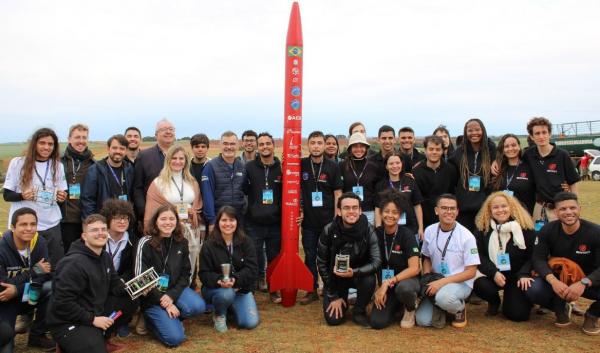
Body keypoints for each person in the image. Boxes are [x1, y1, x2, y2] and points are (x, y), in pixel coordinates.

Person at [46, 214, 137, 353]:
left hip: (94, 311)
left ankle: (101, 337)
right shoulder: (73, 263)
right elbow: (62, 303)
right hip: (68, 321)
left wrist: (136, 287)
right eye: (94, 230)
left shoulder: (105, 256)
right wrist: (93, 319)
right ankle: (66, 343)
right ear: (84, 236)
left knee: (131, 298)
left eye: (103, 229)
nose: (100, 233)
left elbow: (115, 285)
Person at [526, 192, 600, 335]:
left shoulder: (595, 232)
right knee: (533, 288)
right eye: (563, 209)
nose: (568, 212)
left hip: (589, 281)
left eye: (572, 208)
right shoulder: (547, 230)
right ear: (555, 212)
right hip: (561, 281)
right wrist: (553, 281)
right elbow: (538, 259)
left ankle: (592, 315)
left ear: (580, 208)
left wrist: (584, 282)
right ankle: (560, 308)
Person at [134, 205, 206, 347]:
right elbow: (140, 281)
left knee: (198, 306)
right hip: (151, 297)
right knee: (175, 339)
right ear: (156, 221)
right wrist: (164, 301)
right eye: (163, 219)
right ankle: (149, 320)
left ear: (177, 221)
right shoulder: (145, 243)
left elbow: (186, 274)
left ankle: (171, 319)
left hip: (173, 292)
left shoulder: (181, 242)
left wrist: (171, 296)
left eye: (172, 219)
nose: (168, 222)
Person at [3, 127, 68, 268]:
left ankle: (53, 291)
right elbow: (7, 195)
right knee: (29, 268)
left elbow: (63, 193)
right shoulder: (18, 163)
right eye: (42, 143)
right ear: (34, 144)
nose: (46, 147)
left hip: (52, 226)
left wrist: (62, 196)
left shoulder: (58, 166)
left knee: (55, 268)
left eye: (50, 144)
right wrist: (22, 195)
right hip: (27, 227)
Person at [316, 192, 381, 327]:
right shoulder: (328, 230)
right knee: (333, 320)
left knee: (369, 279)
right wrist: (333, 296)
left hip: (358, 275)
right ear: (339, 211)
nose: (351, 211)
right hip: (336, 278)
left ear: (360, 210)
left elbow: (376, 262)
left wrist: (355, 272)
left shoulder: (369, 230)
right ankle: (342, 301)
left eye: (354, 208)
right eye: (346, 208)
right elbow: (321, 263)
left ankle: (359, 311)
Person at [415, 194, 480, 328]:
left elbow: (471, 272)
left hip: (460, 282)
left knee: (443, 298)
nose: (448, 212)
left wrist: (441, 283)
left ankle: (459, 308)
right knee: (423, 321)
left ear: (457, 211)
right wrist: (427, 278)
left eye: (452, 208)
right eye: (444, 208)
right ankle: (443, 307)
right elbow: (426, 257)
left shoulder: (467, 237)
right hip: (436, 280)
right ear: (436, 210)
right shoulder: (429, 230)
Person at [143, 145, 203, 282]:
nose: (178, 161)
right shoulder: (158, 184)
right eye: (174, 158)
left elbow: (197, 206)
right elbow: (153, 210)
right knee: (170, 265)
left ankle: (186, 288)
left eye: (181, 158)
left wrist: (191, 212)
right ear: (168, 160)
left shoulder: (192, 182)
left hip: (190, 231)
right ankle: (167, 292)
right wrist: (180, 210)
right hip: (168, 232)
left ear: (186, 161)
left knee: (189, 263)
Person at [472, 192, 536, 321]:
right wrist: (493, 272)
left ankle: (523, 299)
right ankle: (494, 302)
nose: (500, 210)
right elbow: (479, 255)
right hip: (494, 273)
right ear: (489, 210)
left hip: (516, 275)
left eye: (504, 206)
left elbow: (533, 256)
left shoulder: (525, 228)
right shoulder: (482, 229)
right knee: (478, 284)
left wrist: (524, 274)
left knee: (518, 315)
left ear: (511, 207)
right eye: (495, 207)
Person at [199, 206, 260, 332]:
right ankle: (219, 314)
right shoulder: (208, 245)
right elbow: (204, 274)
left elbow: (252, 269)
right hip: (218, 290)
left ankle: (231, 308)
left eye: (232, 220)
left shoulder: (246, 242)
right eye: (224, 220)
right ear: (218, 222)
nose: (228, 224)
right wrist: (220, 280)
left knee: (249, 323)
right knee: (226, 294)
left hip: (240, 289)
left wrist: (235, 280)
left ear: (237, 222)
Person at [0, 208, 54, 350]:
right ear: (13, 227)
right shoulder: (1, 249)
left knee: (53, 287)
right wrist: (34, 271)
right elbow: (2, 285)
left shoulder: (40, 242)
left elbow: (46, 273)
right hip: (6, 302)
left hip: (27, 293)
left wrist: (17, 289)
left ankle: (37, 335)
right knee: (6, 344)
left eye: (33, 224)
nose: (29, 229)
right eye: (23, 224)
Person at [299, 131, 343, 304]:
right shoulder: (302, 164)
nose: (316, 146)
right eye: (313, 143)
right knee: (310, 255)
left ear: (324, 145)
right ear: (308, 145)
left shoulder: (333, 166)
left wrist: (336, 219)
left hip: (328, 221)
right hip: (309, 222)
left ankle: (328, 287)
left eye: (319, 143)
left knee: (328, 256)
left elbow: (338, 192)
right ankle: (311, 290)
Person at [369, 190, 421, 330]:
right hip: (387, 288)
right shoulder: (375, 234)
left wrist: (388, 282)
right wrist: (379, 288)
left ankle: (410, 307)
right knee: (377, 322)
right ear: (380, 213)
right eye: (386, 211)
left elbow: (415, 268)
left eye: (395, 212)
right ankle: (397, 307)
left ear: (400, 215)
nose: (390, 215)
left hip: (406, 283)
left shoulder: (407, 235)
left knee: (404, 289)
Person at [244, 132, 283, 303]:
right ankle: (251, 290)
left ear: (274, 145)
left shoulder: (281, 168)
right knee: (253, 255)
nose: (265, 147)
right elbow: (243, 190)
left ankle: (274, 288)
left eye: (268, 143)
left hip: (275, 223)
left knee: (274, 257)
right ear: (258, 148)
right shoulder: (249, 167)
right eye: (262, 144)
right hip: (254, 223)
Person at [524, 117, 580, 226]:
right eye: (537, 133)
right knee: (539, 240)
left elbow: (573, 183)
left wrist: (574, 206)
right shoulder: (528, 155)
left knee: (560, 240)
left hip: (559, 207)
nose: (541, 136)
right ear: (532, 136)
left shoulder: (562, 155)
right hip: (539, 208)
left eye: (544, 132)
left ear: (549, 134)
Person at [100, 198, 139, 337]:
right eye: (117, 218)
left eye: (125, 218)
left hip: (120, 282)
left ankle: (119, 322)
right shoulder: (98, 237)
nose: (122, 222)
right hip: (99, 281)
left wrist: (120, 281)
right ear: (107, 220)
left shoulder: (134, 241)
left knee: (131, 298)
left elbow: (133, 268)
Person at [450, 118, 496, 233]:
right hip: (464, 207)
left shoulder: (492, 150)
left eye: (477, 129)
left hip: (485, 207)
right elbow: (449, 173)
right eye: (470, 130)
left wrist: (498, 161)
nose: (474, 133)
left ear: (483, 131)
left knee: (482, 241)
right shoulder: (459, 152)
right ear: (466, 133)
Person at [201, 131, 247, 231]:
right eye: (225, 143)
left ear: (238, 145)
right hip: (219, 220)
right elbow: (207, 195)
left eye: (232, 144)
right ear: (220, 145)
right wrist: (212, 221)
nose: (229, 147)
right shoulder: (210, 166)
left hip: (238, 219)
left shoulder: (242, 166)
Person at [81, 134, 134, 219]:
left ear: (126, 151)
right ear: (108, 149)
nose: (118, 151)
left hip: (124, 220)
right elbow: (88, 200)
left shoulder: (129, 169)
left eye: (122, 148)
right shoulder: (95, 170)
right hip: (104, 221)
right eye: (114, 148)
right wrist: (91, 222)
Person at [61, 123, 96, 253]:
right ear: (69, 139)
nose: (81, 141)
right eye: (77, 137)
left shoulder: (94, 164)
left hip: (86, 219)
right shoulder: (59, 162)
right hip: (65, 220)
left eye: (84, 137)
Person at [374, 152, 424, 240]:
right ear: (386, 166)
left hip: (411, 229)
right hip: (388, 230)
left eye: (397, 163)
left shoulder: (410, 181)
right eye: (391, 163)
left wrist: (420, 228)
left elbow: (417, 206)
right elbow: (378, 208)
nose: (395, 166)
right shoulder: (381, 185)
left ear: (401, 164)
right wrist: (378, 229)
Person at [133, 119, 176, 220]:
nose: (168, 132)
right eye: (164, 129)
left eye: (171, 129)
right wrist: (144, 212)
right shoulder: (144, 156)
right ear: (156, 134)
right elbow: (137, 188)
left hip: (177, 214)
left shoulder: (182, 155)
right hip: (153, 214)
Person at [413, 136, 458, 228]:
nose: (434, 152)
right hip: (424, 220)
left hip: (446, 218)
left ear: (442, 151)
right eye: (431, 149)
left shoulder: (451, 170)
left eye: (438, 149)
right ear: (425, 150)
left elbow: (454, 193)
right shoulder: (416, 172)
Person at [340, 132, 380, 225]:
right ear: (350, 149)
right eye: (355, 146)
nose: (359, 149)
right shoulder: (342, 165)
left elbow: (377, 191)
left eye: (362, 146)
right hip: (348, 211)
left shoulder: (373, 166)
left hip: (368, 211)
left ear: (366, 148)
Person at [491, 134, 536, 214]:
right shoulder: (497, 168)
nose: (510, 148)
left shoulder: (530, 166)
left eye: (513, 145)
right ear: (503, 149)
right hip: (502, 217)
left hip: (524, 217)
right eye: (506, 146)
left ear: (519, 146)